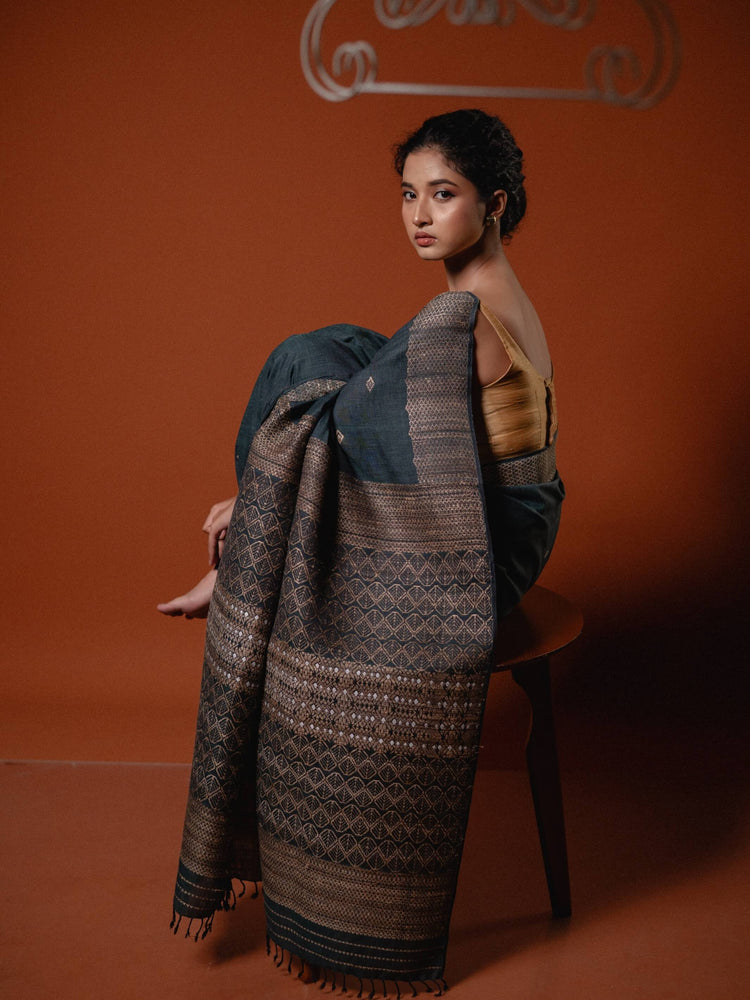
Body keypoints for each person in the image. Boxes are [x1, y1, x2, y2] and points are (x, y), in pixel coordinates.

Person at [164, 110, 563, 994]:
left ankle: (244, 552)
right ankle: (253, 537)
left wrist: (255, 495)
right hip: (511, 511)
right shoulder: (482, 295)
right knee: (319, 356)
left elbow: (363, 436)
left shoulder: (466, 319)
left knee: (305, 380)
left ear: (494, 203)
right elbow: (380, 416)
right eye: (409, 195)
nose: (420, 214)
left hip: (484, 544)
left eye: (444, 195)